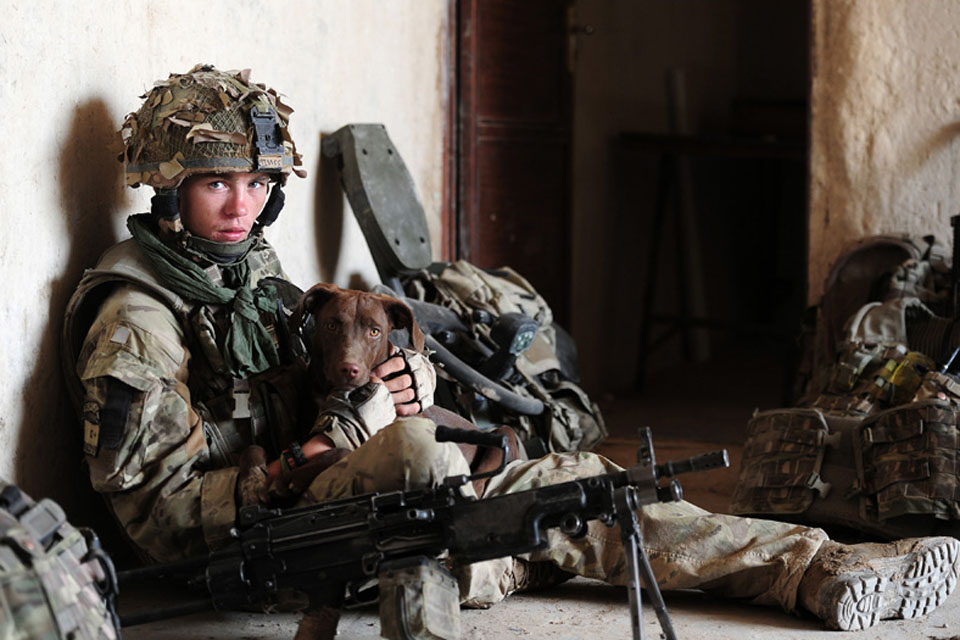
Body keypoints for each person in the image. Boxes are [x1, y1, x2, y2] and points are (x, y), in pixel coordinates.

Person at [63, 64, 959, 633]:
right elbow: (165, 525)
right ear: (168, 191)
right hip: (255, 552)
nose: (242, 205)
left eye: (258, 183)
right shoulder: (137, 319)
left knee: (567, 490)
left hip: (333, 502)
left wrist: (388, 389)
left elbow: (309, 403)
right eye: (215, 183)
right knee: (436, 469)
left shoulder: (245, 277)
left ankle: (815, 569)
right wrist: (341, 439)